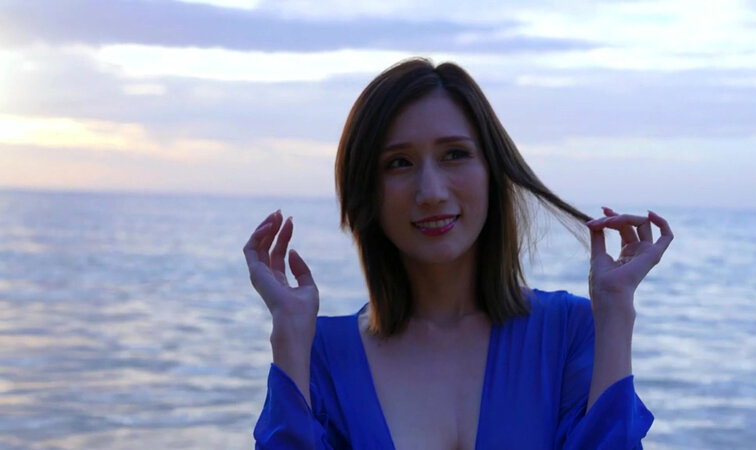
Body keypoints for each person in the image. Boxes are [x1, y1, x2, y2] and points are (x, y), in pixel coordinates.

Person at [243, 58, 673, 449]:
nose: (431, 192)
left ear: (491, 171)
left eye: (454, 155)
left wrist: (616, 308)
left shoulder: (570, 331)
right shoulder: (323, 353)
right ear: (366, 190)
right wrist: (288, 334)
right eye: (399, 163)